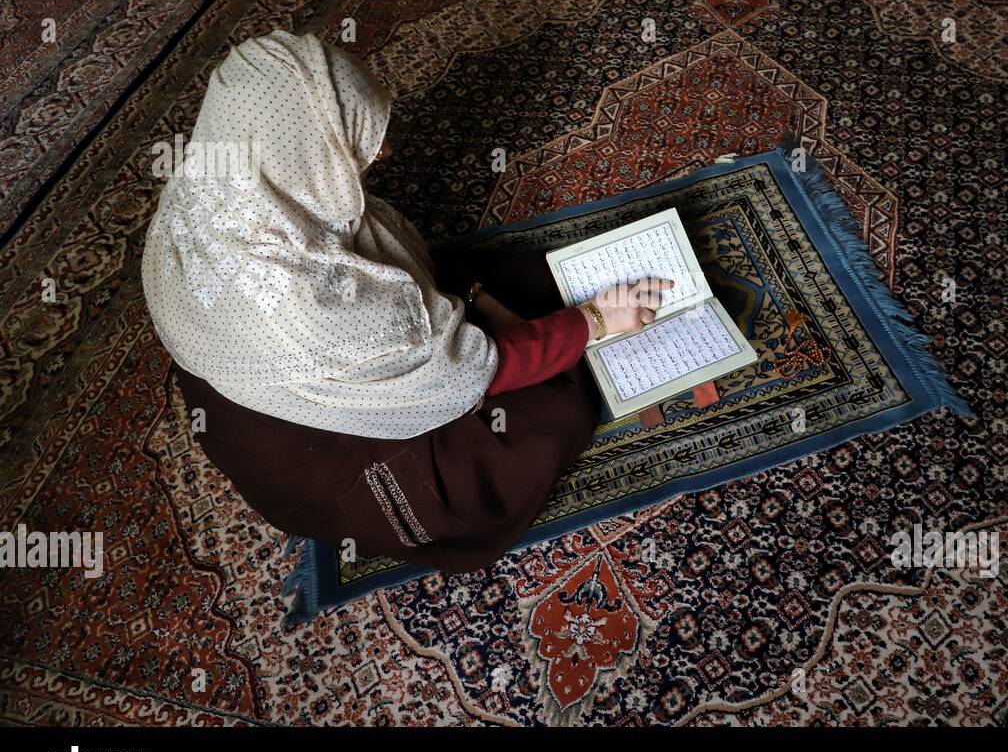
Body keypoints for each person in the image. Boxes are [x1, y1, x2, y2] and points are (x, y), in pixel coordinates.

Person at [140, 30, 670, 572]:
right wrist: (596, 321)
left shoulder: (207, 179)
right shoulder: (313, 309)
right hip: (323, 460)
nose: (384, 152)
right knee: (545, 416)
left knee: (486, 281)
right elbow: (477, 368)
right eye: (357, 143)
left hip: (263, 380)